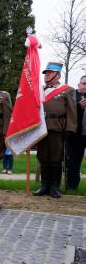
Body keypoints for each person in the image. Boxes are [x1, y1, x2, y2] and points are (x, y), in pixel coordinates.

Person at [34, 62, 77, 198]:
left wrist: (70, 129)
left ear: (58, 75)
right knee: (42, 156)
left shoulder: (67, 90)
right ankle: (44, 185)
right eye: (46, 73)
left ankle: (55, 186)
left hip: (57, 128)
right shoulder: (40, 90)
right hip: (41, 128)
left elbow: (72, 111)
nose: (47, 75)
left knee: (56, 158)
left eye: (50, 73)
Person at [65, 75, 86, 191]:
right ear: (79, 85)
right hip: (75, 135)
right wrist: (79, 106)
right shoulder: (72, 96)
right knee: (73, 162)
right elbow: (67, 111)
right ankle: (71, 187)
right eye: (84, 83)